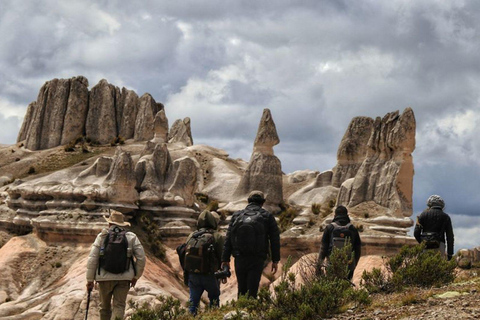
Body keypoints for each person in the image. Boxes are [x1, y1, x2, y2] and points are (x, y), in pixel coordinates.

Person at [86, 210, 146, 320]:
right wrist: (136, 276)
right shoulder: (131, 237)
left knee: (104, 307)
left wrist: (89, 280)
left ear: (109, 224)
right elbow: (141, 258)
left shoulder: (102, 236)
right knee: (119, 306)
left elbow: (92, 258)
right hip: (124, 278)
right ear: (122, 224)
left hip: (104, 278)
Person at [221, 190, 281, 298]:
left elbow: (228, 238)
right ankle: (250, 311)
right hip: (257, 258)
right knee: (252, 288)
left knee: (241, 288)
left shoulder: (237, 215)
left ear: (248, 201)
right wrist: (275, 260)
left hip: (239, 257)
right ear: (262, 202)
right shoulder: (267, 216)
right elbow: (274, 239)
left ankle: (239, 312)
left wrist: (225, 259)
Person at [183, 210, 225, 315]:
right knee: (214, 300)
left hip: (193, 275)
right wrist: (223, 272)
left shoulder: (192, 236)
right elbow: (222, 256)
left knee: (193, 303)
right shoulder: (217, 236)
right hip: (210, 275)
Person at [317, 205, 361, 280]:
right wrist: (353, 264)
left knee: (331, 286)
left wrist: (318, 265)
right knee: (346, 287)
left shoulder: (329, 228)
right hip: (348, 265)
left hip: (332, 264)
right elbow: (358, 250)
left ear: (335, 215)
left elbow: (323, 249)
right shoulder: (352, 229)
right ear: (347, 215)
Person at [414, 195, 454, 260]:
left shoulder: (423, 215)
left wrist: (423, 242)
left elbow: (416, 233)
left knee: (425, 267)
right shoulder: (446, 217)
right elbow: (450, 236)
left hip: (425, 246)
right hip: (440, 245)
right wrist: (450, 253)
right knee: (439, 267)